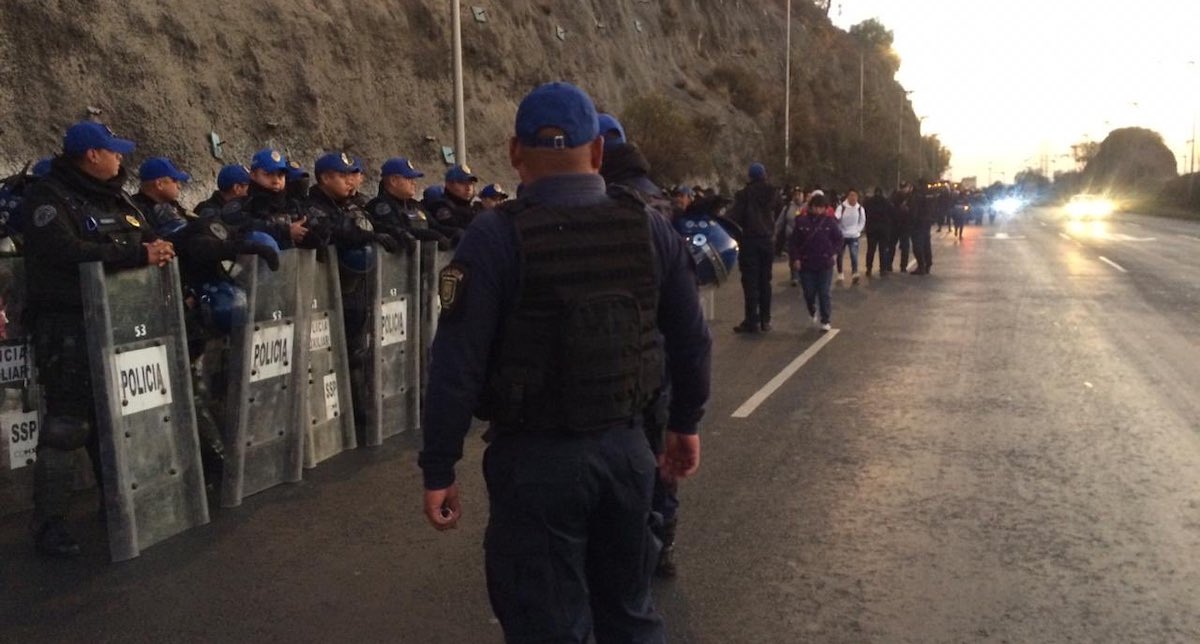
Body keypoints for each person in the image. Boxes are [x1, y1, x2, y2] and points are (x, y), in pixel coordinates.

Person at [419, 81, 710, 643]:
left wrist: (439, 466)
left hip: (535, 463)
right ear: (598, 151)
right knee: (629, 611)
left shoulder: (494, 236)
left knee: (546, 623)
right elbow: (692, 339)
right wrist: (685, 424)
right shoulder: (648, 227)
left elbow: (457, 364)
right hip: (628, 454)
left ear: (514, 153)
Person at [20, 121, 176, 557]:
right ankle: (49, 524)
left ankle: (119, 501)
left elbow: (147, 238)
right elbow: (63, 253)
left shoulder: (117, 197)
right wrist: (135, 255)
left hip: (120, 323)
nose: (120, 159)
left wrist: (159, 249)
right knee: (68, 426)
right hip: (68, 326)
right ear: (92, 155)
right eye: (113, 152)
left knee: (117, 418)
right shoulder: (48, 198)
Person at [304, 152, 403, 434]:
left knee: (358, 350)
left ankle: (360, 415)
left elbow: (370, 223)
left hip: (356, 289)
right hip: (327, 295)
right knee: (330, 356)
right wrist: (370, 236)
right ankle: (336, 421)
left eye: (352, 175)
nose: (350, 181)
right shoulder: (314, 207)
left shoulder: (353, 205)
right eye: (343, 176)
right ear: (325, 178)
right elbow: (337, 231)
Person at [727, 162, 782, 333]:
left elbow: (735, 216)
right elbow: (779, 211)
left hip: (750, 240)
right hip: (767, 241)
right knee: (765, 281)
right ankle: (766, 320)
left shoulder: (744, 194)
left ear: (750, 176)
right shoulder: (774, 193)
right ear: (764, 175)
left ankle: (752, 320)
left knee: (750, 282)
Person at [222, 148, 308, 249]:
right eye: (269, 174)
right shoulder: (241, 205)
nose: (276, 181)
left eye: (280, 175)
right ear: (253, 175)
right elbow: (242, 227)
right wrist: (284, 232)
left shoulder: (293, 205)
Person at [366, 157, 457, 249]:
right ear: (393, 181)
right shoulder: (380, 205)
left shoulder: (414, 205)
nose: (414, 183)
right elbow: (396, 229)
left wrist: (456, 233)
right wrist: (431, 235)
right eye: (409, 178)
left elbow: (435, 226)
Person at [789, 193, 841, 332]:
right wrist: (796, 258)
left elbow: (838, 239)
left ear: (825, 208)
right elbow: (794, 243)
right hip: (806, 263)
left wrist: (833, 253)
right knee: (809, 292)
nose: (818, 210)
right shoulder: (801, 222)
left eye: (821, 208)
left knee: (824, 292)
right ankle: (812, 309)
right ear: (810, 207)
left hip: (825, 263)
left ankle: (825, 319)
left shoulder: (830, 222)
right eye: (815, 207)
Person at [131, 157, 193, 237]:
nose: (179, 186)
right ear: (159, 184)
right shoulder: (135, 210)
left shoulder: (173, 205)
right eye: (174, 181)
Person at [428, 164, 479, 233]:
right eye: (462, 183)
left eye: (470, 183)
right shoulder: (441, 207)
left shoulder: (474, 208)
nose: (468, 188)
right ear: (449, 184)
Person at [774, 187, 805, 285]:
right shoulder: (787, 207)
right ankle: (794, 276)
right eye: (795, 195)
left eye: (799, 194)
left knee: (803, 256)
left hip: (804, 237)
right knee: (793, 256)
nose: (797, 197)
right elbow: (780, 221)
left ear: (802, 196)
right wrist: (775, 232)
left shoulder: (807, 207)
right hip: (791, 237)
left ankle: (802, 274)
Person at [834, 188, 865, 284]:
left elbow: (862, 221)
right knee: (840, 255)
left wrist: (858, 230)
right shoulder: (841, 207)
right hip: (842, 235)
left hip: (853, 235)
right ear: (848, 196)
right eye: (851, 195)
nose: (853, 198)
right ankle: (840, 274)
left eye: (855, 196)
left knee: (854, 254)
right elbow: (836, 218)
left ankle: (855, 273)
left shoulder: (860, 209)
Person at [862, 187, 894, 276]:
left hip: (871, 229)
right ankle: (883, 269)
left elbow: (865, 213)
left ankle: (869, 268)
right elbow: (892, 213)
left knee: (870, 250)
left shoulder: (868, 202)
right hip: (883, 230)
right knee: (883, 250)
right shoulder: (886, 202)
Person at [911, 180, 937, 275]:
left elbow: (914, 210)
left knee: (917, 245)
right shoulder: (930, 194)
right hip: (927, 222)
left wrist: (912, 222)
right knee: (926, 244)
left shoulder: (917, 196)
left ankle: (921, 266)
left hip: (918, 223)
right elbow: (934, 207)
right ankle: (928, 264)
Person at [889, 182, 914, 273]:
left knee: (892, 245)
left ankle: (889, 265)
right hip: (904, 225)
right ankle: (903, 266)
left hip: (895, 224)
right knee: (904, 247)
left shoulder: (894, 196)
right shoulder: (909, 197)